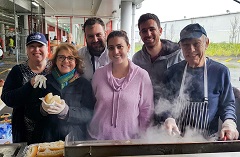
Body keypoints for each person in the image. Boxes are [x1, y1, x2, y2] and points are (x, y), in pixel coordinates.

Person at [159, 23, 239, 140]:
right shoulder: (172, 72)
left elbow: (227, 104)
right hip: (176, 140)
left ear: (206, 43)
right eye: (186, 45)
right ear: (180, 46)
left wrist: (229, 122)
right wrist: (168, 118)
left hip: (208, 141)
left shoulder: (220, 72)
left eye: (196, 43)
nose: (191, 49)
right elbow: (164, 103)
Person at [88, 30, 154, 140]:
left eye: (120, 47)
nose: (116, 51)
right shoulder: (99, 74)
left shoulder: (142, 76)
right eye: (111, 48)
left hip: (129, 141)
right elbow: (91, 105)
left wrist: (142, 140)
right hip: (97, 139)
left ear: (128, 47)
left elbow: (146, 111)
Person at [26, 43, 95, 143]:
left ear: (76, 61)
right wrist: (42, 110)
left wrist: (67, 112)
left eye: (70, 58)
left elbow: (89, 113)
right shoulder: (44, 81)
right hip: (46, 139)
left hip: (73, 139)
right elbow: (29, 112)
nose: (65, 61)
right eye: (61, 57)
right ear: (55, 60)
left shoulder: (83, 84)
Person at [1, 32, 49, 143]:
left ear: (46, 48)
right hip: (25, 133)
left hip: (51, 132)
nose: (36, 50)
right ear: (27, 50)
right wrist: (28, 86)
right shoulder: (18, 71)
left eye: (40, 46)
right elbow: (7, 98)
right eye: (32, 46)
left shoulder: (54, 69)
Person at [132, 13, 184, 103]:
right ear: (140, 34)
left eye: (152, 29)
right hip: (146, 109)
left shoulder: (178, 55)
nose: (148, 34)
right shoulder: (137, 59)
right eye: (144, 31)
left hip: (174, 110)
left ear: (160, 31)